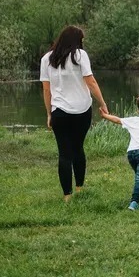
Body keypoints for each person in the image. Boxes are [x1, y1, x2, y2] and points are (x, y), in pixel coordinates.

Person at [40, 25, 109, 202]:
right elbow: (91, 81)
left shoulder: (47, 59)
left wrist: (49, 113)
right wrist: (103, 103)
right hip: (82, 111)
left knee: (64, 153)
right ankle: (79, 188)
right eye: (82, 40)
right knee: (78, 148)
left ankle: (67, 196)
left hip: (59, 112)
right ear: (76, 41)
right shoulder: (80, 55)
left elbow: (46, 90)